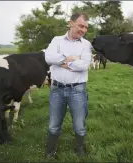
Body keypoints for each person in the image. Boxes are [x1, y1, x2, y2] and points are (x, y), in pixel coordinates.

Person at [44, 13, 92, 159]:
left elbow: (84, 65)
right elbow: (48, 57)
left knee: (79, 125)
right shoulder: (57, 40)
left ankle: (80, 148)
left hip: (78, 90)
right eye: (81, 26)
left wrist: (61, 62)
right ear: (71, 23)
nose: (83, 30)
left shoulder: (86, 44)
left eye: (86, 27)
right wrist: (71, 59)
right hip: (57, 89)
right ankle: (50, 152)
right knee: (53, 124)